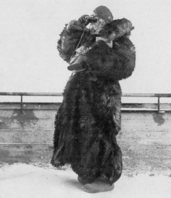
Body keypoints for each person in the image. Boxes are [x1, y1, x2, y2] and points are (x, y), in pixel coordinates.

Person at [51, 5, 136, 193]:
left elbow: (125, 67)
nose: (96, 23)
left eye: (100, 20)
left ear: (108, 21)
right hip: (79, 91)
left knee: (102, 133)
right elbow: (66, 53)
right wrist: (75, 28)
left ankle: (104, 178)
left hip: (102, 93)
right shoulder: (88, 38)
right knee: (77, 131)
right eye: (94, 19)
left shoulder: (120, 41)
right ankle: (85, 172)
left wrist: (97, 54)